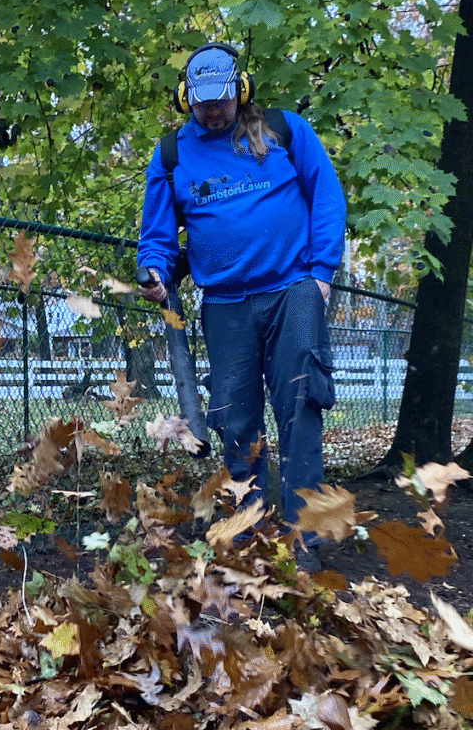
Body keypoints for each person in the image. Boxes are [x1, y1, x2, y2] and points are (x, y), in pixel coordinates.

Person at [136, 43, 347, 560]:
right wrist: (156, 272)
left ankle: (307, 544)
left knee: (301, 407)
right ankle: (248, 538)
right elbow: (157, 236)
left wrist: (321, 273)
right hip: (225, 304)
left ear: (240, 90)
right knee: (234, 419)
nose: (213, 110)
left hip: (292, 292)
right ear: (187, 98)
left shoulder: (284, 130)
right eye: (202, 102)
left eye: (222, 99)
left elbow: (327, 197)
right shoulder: (170, 156)